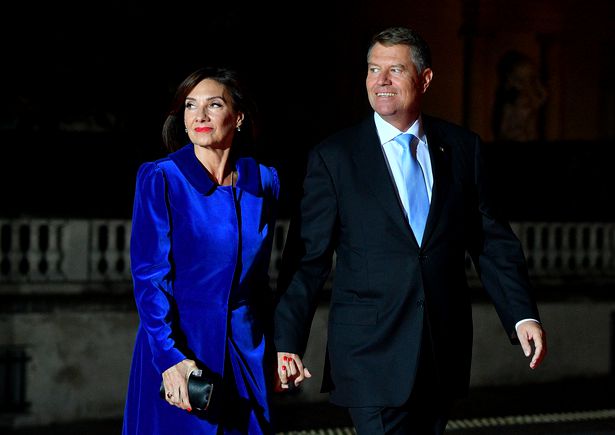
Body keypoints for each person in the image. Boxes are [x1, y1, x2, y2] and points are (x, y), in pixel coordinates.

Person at [273, 26, 547, 435]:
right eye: (373, 69)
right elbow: (307, 258)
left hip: (441, 352)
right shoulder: (335, 157)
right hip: (369, 355)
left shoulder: (462, 148)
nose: (380, 81)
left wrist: (521, 315)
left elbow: (490, 240)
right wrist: (287, 341)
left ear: (425, 78)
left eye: (395, 70)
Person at [122, 66, 280, 434]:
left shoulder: (264, 181)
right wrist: (169, 358)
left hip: (246, 351)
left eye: (214, 105)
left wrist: (278, 348)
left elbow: (261, 281)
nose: (200, 116)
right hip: (181, 353)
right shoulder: (162, 177)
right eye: (191, 106)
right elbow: (149, 278)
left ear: (238, 117)